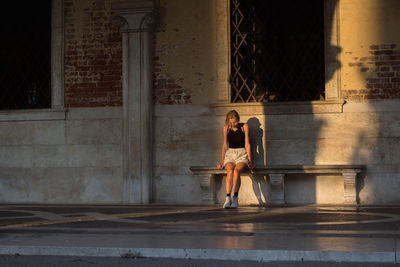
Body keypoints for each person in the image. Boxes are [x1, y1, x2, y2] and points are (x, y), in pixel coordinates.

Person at [217, 110, 254, 209]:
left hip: (242, 154)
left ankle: (235, 198)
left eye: (235, 122)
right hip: (230, 154)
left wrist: (250, 160)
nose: (233, 124)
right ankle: (228, 198)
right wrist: (221, 161)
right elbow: (225, 145)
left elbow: (247, 144)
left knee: (236, 171)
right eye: (231, 122)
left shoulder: (244, 127)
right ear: (228, 121)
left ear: (238, 120)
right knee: (230, 171)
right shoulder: (226, 128)